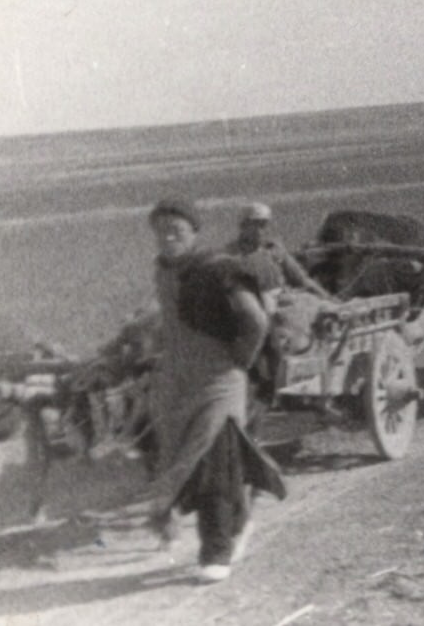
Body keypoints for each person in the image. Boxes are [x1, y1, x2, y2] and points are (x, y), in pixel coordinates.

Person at [144, 198, 285, 583]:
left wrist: (238, 361)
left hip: (220, 381)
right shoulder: (164, 271)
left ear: (195, 233)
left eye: (177, 230)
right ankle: (239, 524)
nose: (168, 237)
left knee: (215, 466)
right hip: (180, 381)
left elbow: (255, 321)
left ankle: (216, 552)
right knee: (184, 461)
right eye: (161, 231)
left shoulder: (217, 270)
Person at [224, 204, 330, 299]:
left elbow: (302, 280)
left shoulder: (274, 249)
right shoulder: (231, 254)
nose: (261, 229)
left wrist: (330, 300)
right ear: (244, 226)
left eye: (264, 224)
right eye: (256, 224)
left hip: (284, 299)